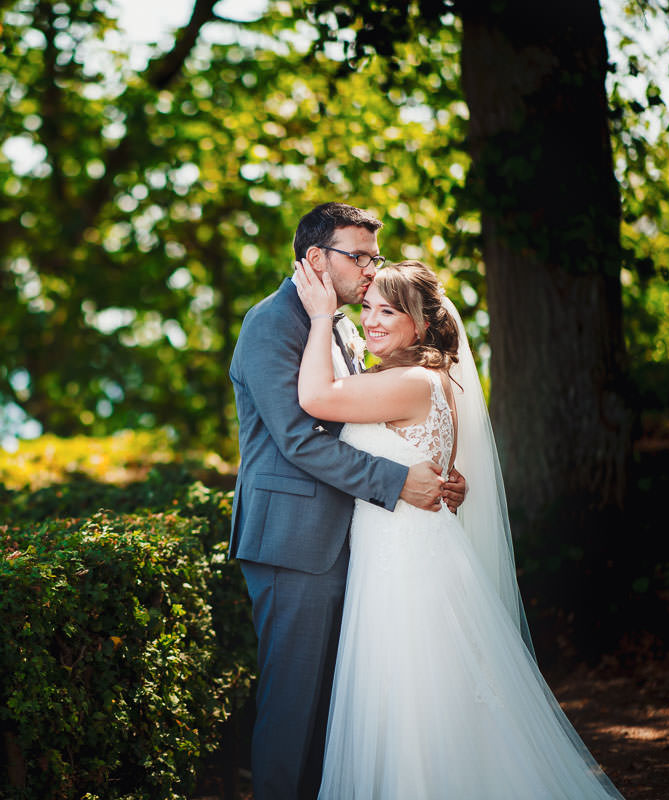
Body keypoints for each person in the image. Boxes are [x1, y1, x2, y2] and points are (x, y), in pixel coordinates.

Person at [290, 257, 624, 799]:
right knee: (426, 695)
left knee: (415, 698)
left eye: (388, 312)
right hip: (407, 552)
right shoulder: (425, 379)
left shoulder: (409, 381)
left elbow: (314, 399)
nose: (372, 321)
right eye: (368, 308)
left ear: (420, 325)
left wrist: (323, 315)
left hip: (405, 564)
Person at [228, 202, 466, 799]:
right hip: (294, 541)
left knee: (337, 712)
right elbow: (296, 439)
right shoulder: (271, 323)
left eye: (374, 256)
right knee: (293, 710)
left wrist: (432, 475)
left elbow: (367, 421)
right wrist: (396, 483)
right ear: (315, 257)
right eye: (358, 256)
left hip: (356, 538)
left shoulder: (336, 323)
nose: (369, 269)